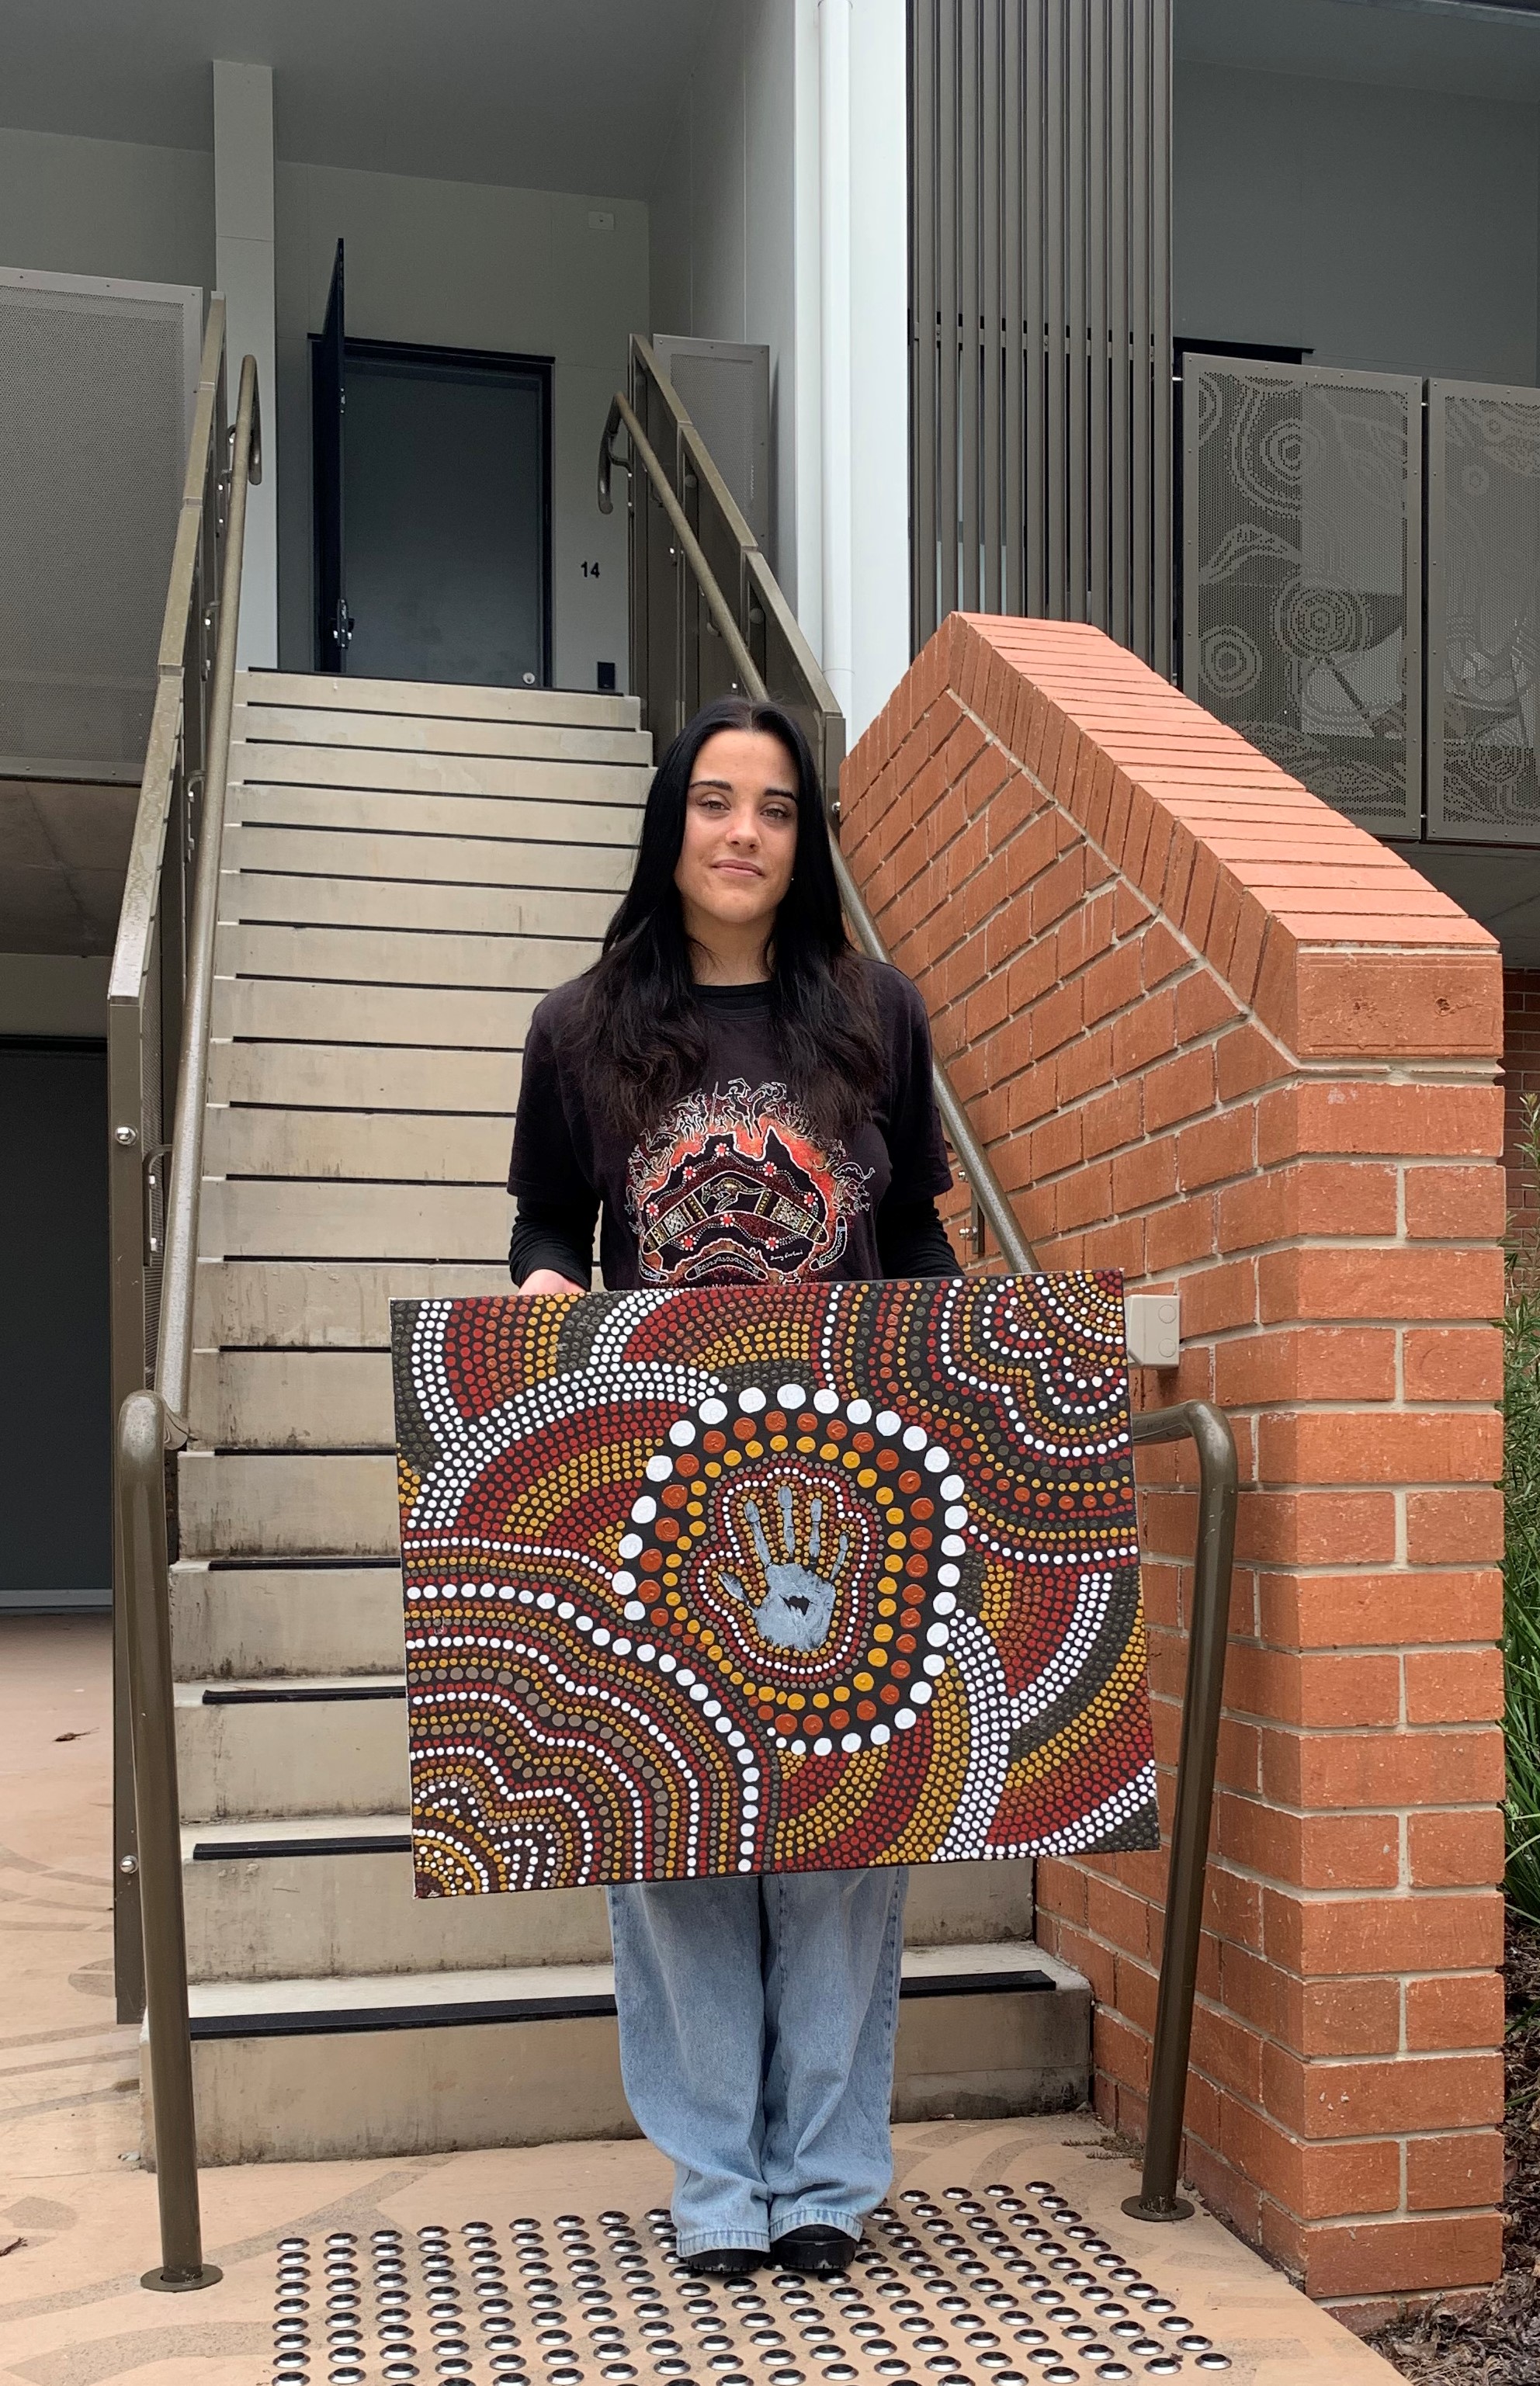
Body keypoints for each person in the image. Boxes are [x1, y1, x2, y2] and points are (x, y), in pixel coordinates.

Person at [506, 692, 961, 2278]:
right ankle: (716, 2185)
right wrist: (553, 1297)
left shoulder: (873, 1013)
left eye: (773, 807)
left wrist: (964, 1370)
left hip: (841, 1469)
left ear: (803, 836)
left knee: (842, 1829)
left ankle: (824, 2175)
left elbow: (908, 1240)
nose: (742, 833)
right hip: (662, 1472)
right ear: (669, 821)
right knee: (677, 1834)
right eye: (714, 802)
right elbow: (549, 1228)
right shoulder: (577, 1028)